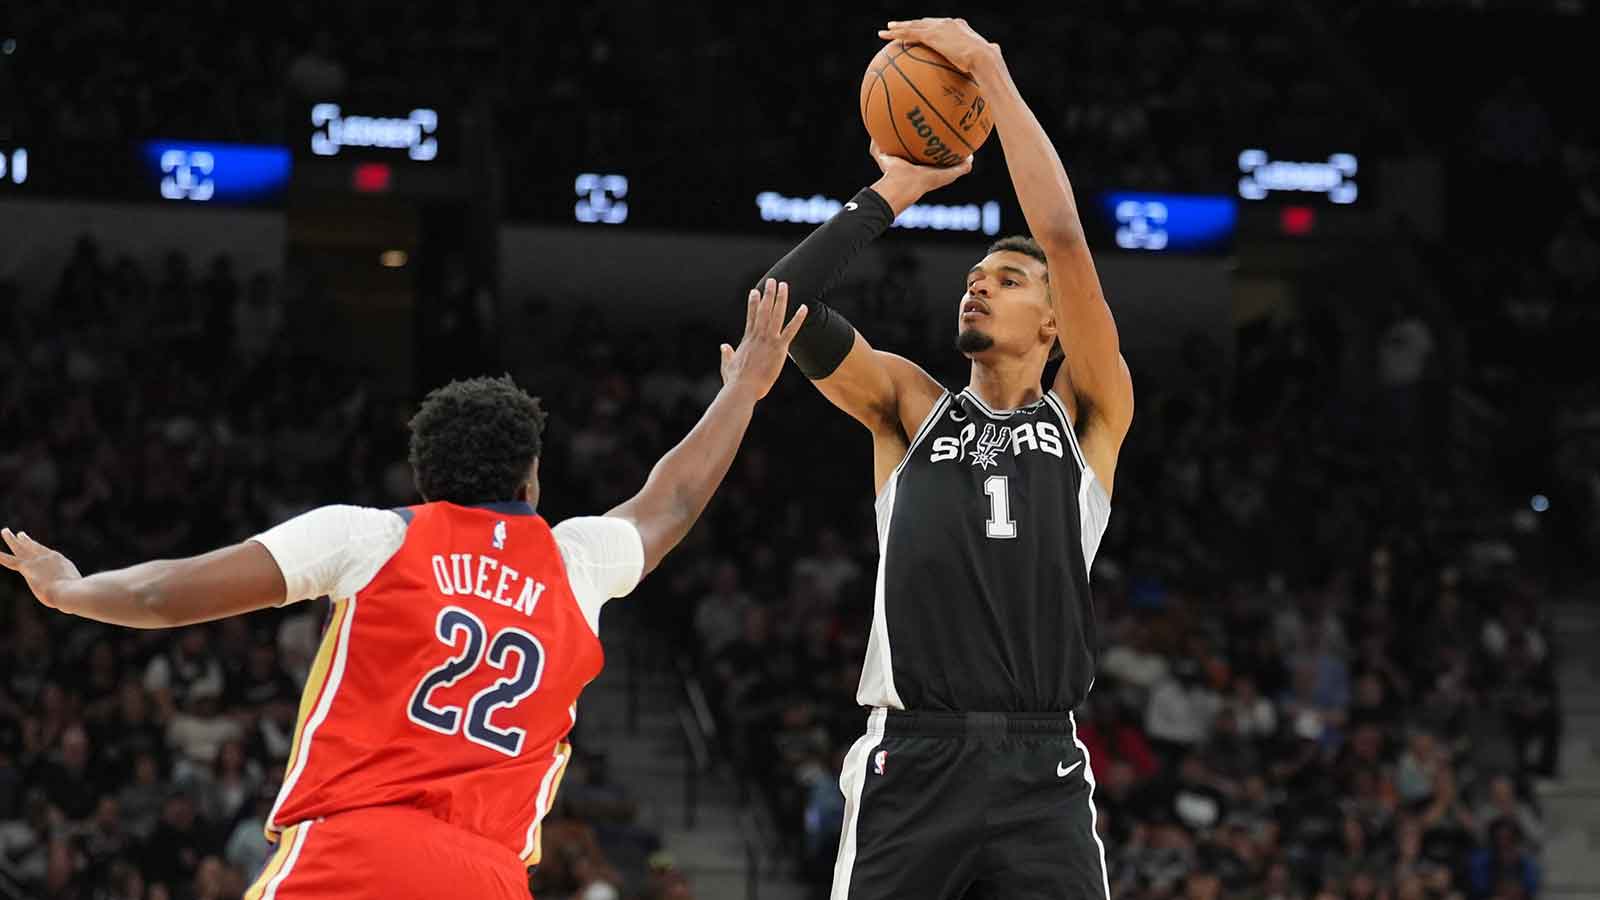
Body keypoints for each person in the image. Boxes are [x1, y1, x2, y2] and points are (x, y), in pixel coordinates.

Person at [0, 280, 807, 899]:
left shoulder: (373, 534)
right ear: (531, 475)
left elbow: (161, 596)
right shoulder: (574, 561)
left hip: (353, 854)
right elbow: (671, 502)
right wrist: (743, 390)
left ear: (424, 478)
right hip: (488, 877)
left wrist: (71, 589)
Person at [751, 17, 1135, 899]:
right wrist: (891, 192)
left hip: (1044, 761)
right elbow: (779, 303)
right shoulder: (907, 406)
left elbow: (1065, 238)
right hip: (913, 755)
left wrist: (992, 73)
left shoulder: (1089, 412)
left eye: (1006, 280)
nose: (977, 284)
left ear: (1052, 324)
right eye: (973, 277)